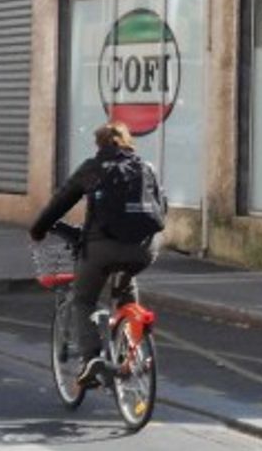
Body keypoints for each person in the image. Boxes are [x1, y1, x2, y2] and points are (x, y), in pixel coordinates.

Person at [28, 121, 164, 386]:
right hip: (145, 249)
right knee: (125, 285)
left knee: (83, 299)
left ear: (98, 144)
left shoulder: (92, 168)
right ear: (128, 142)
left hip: (102, 249)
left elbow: (60, 202)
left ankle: (92, 359)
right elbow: (161, 208)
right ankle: (130, 347)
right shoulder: (146, 168)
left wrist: (38, 230)